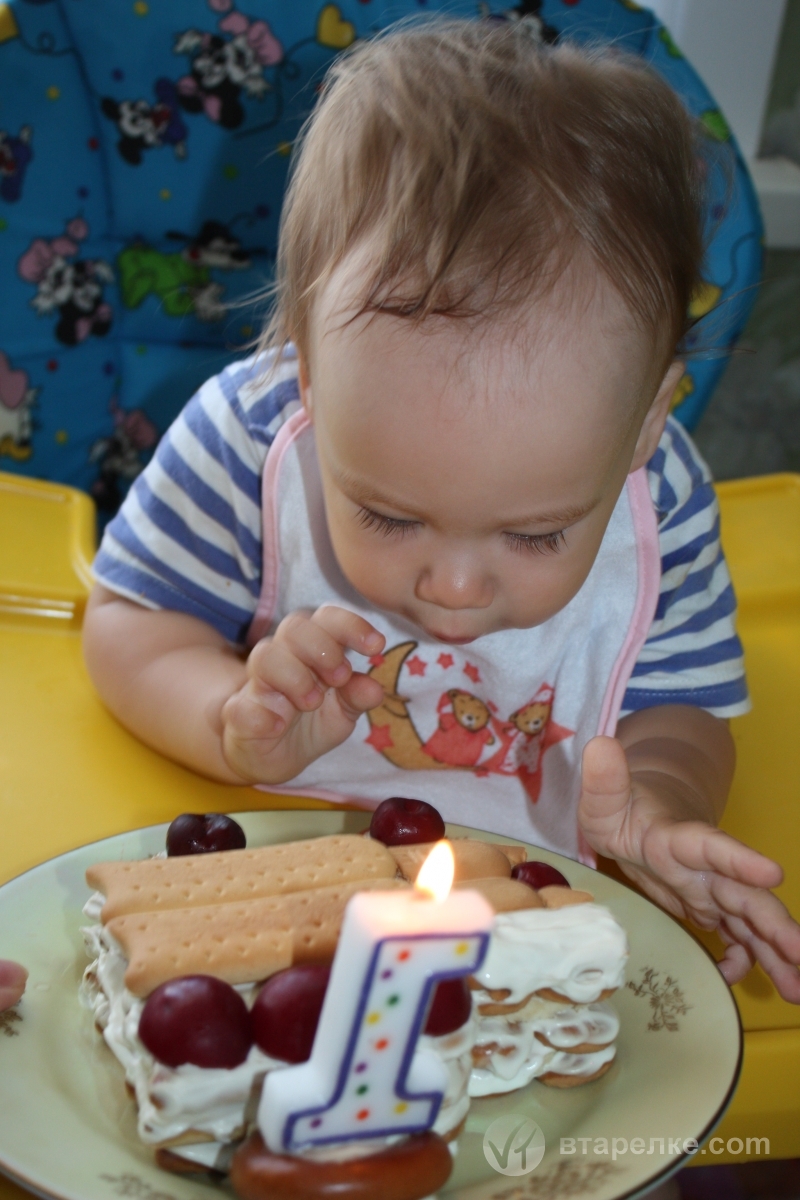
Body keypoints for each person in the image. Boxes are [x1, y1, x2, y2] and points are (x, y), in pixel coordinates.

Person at [82, 21, 800, 1003]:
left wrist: (655, 804)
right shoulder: (247, 440)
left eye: (536, 533)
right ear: (308, 377)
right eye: (385, 516)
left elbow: (682, 704)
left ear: (641, 426)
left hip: (524, 918)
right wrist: (224, 717)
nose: (453, 588)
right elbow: (129, 624)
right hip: (258, 887)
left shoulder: (659, 494)